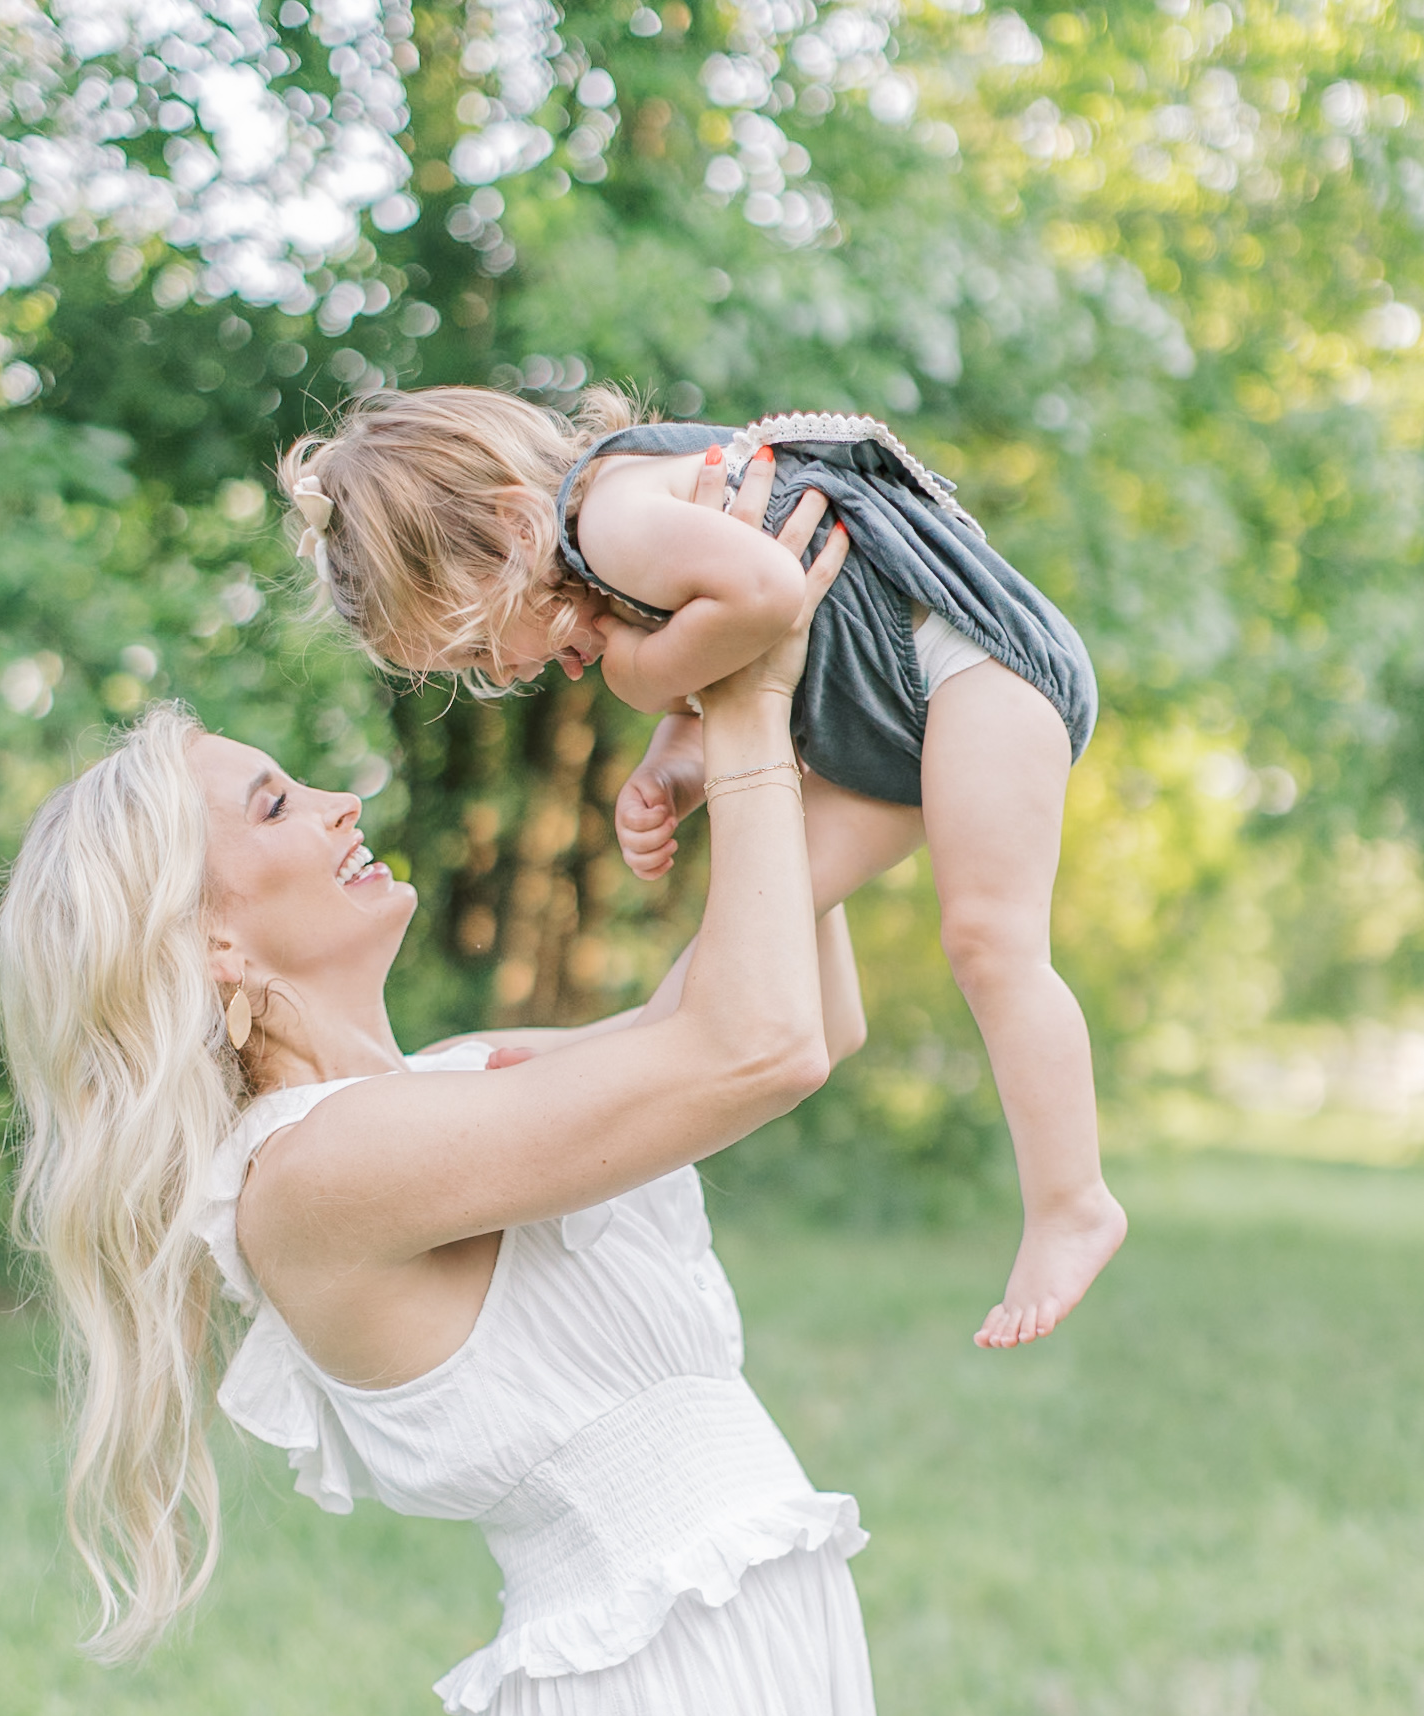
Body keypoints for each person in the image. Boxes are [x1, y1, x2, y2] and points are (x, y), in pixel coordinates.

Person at [0, 492, 921, 1716]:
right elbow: (750, 1049)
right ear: (207, 951)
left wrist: (812, 670)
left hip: (738, 1652)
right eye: (267, 810)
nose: (336, 796)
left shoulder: (468, 1086)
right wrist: (734, 700)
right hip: (643, 1707)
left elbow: (791, 995)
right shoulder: (314, 1180)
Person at [280, 385, 1127, 1351]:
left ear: (517, 528)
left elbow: (764, 596)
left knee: (989, 939)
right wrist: (672, 761)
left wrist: (642, 676)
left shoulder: (605, 516)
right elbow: (731, 636)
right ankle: (631, 1043)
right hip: (885, 715)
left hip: (972, 665)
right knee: (750, 928)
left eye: (478, 646)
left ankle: (1073, 1200)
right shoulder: (612, 538)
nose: (501, 677)